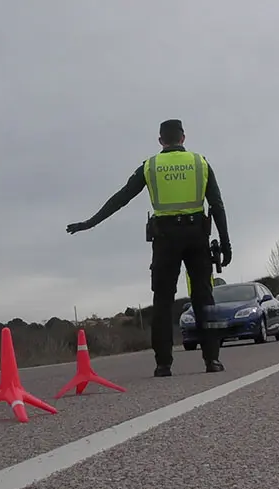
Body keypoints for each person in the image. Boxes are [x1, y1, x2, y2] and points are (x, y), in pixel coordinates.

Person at [66, 119, 232, 376]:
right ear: (183, 138)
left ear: (160, 141)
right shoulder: (200, 163)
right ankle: (212, 360)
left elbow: (121, 198)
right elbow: (217, 206)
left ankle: (163, 364)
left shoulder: (150, 166)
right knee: (204, 299)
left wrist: (91, 222)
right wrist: (225, 242)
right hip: (196, 235)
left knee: (163, 300)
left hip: (165, 239)